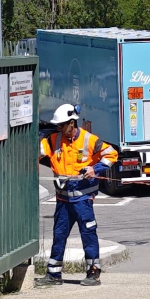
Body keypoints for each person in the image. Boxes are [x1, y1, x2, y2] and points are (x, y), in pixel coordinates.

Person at [35, 103, 118, 287]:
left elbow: (111, 154)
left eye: (62, 125)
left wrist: (94, 168)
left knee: (88, 234)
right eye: (58, 125)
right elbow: (38, 152)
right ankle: (53, 275)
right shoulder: (53, 140)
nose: (59, 128)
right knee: (59, 234)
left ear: (72, 123)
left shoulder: (89, 140)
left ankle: (93, 273)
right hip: (63, 200)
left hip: (82, 200)